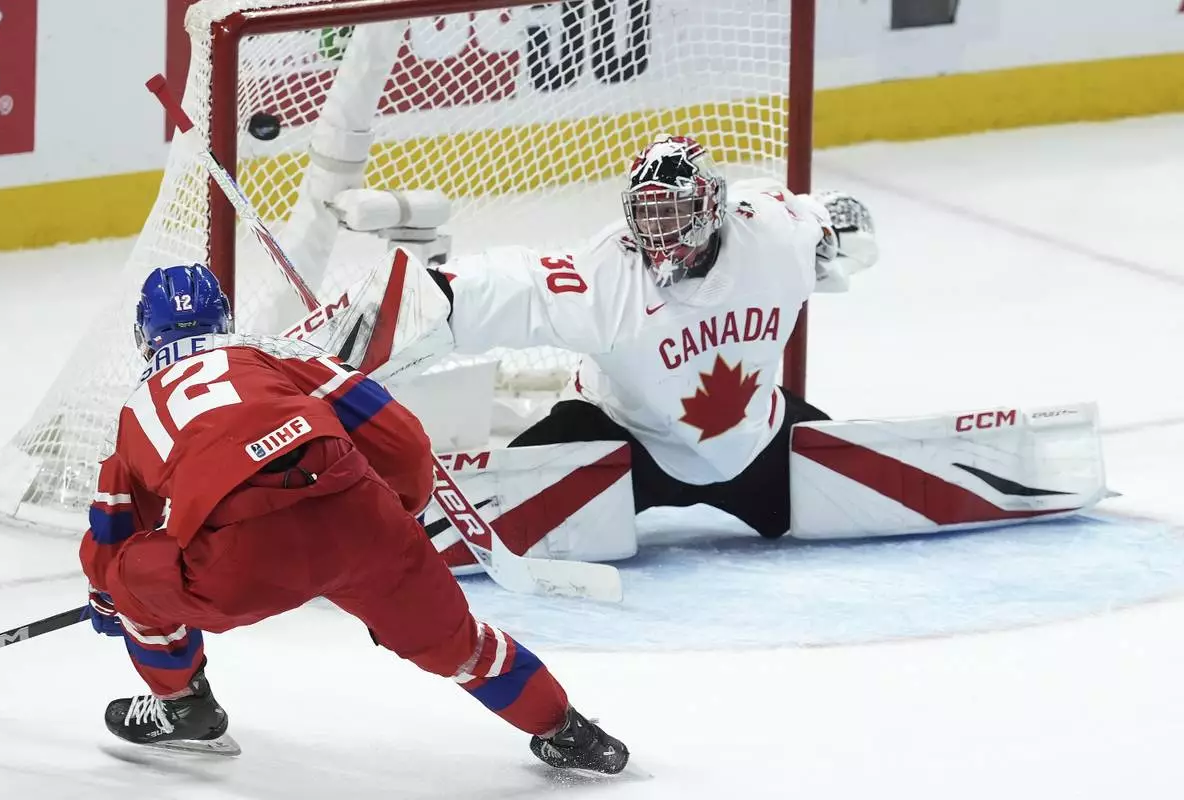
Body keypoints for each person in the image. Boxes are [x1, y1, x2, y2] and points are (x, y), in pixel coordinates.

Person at [79, 264, 628, 774]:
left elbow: (111, 538)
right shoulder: (276, 353)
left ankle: (182, 706)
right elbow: (403, 439)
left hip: (244, 563)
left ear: (144, 335)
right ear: (224, 317)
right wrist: (397, 520)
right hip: (363, 520)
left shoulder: (135, 411)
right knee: (462, 644)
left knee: (127, 576)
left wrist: (112, 605)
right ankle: (568, 729)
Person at [427, 134, 878, 544]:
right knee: (515, 503)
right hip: (619, 441)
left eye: (674, 211)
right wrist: (435, 294)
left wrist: (840, 230)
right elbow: (519, 286)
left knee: (860, 501)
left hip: (753, 442)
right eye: (648, 213)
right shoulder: (607, 274)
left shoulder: (774, 232)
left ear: (711, 205)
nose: (659, 229)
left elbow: (825, 222)